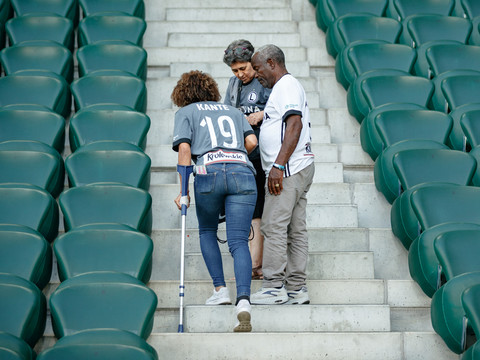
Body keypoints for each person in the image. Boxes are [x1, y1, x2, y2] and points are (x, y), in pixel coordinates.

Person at [171, 70, 258, 332]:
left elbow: (185, 149)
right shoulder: (233, 111)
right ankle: (244, 301)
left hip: (208, 173)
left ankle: (220, 290)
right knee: (239, 241)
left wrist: (182, 190)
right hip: (242, 172)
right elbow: (252, 141)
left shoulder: (185, 113)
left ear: (182, 94)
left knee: (208, 230)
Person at [249, 44, 315, 305]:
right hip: (300, 166)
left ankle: (274, 287)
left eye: (258, 68)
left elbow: (294, 124)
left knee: (273, 226)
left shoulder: (285, 85)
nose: (256, 74)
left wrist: (278, 166)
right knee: (296, 230)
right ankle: (297, 290)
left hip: (288, 169)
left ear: (272, 63)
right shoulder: (287, 86)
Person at [223, 39, 271, 280]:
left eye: (243, 68)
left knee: (260, 207)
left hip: (264, 155)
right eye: (235, 70)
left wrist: (262, 114)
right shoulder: (233, 85)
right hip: (242, 156)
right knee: (249, 208)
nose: (240, 74)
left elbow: (282, 107)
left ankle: (257, 263)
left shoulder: (264, 81)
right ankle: (253, 262)